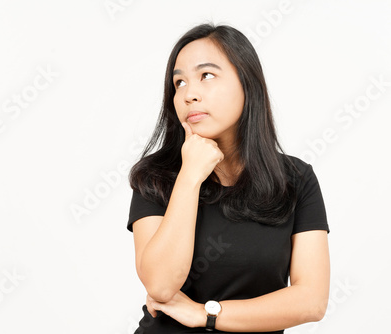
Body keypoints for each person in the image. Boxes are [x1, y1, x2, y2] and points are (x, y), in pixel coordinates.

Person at [125, 22, 330, 334]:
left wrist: (205, 314)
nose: (189, 94)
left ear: (247, 84)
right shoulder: (155, 177)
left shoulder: (296, 179)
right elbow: (161, 286)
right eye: (179, 83)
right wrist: (190, 176)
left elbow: (311, 301)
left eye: (206, 76)